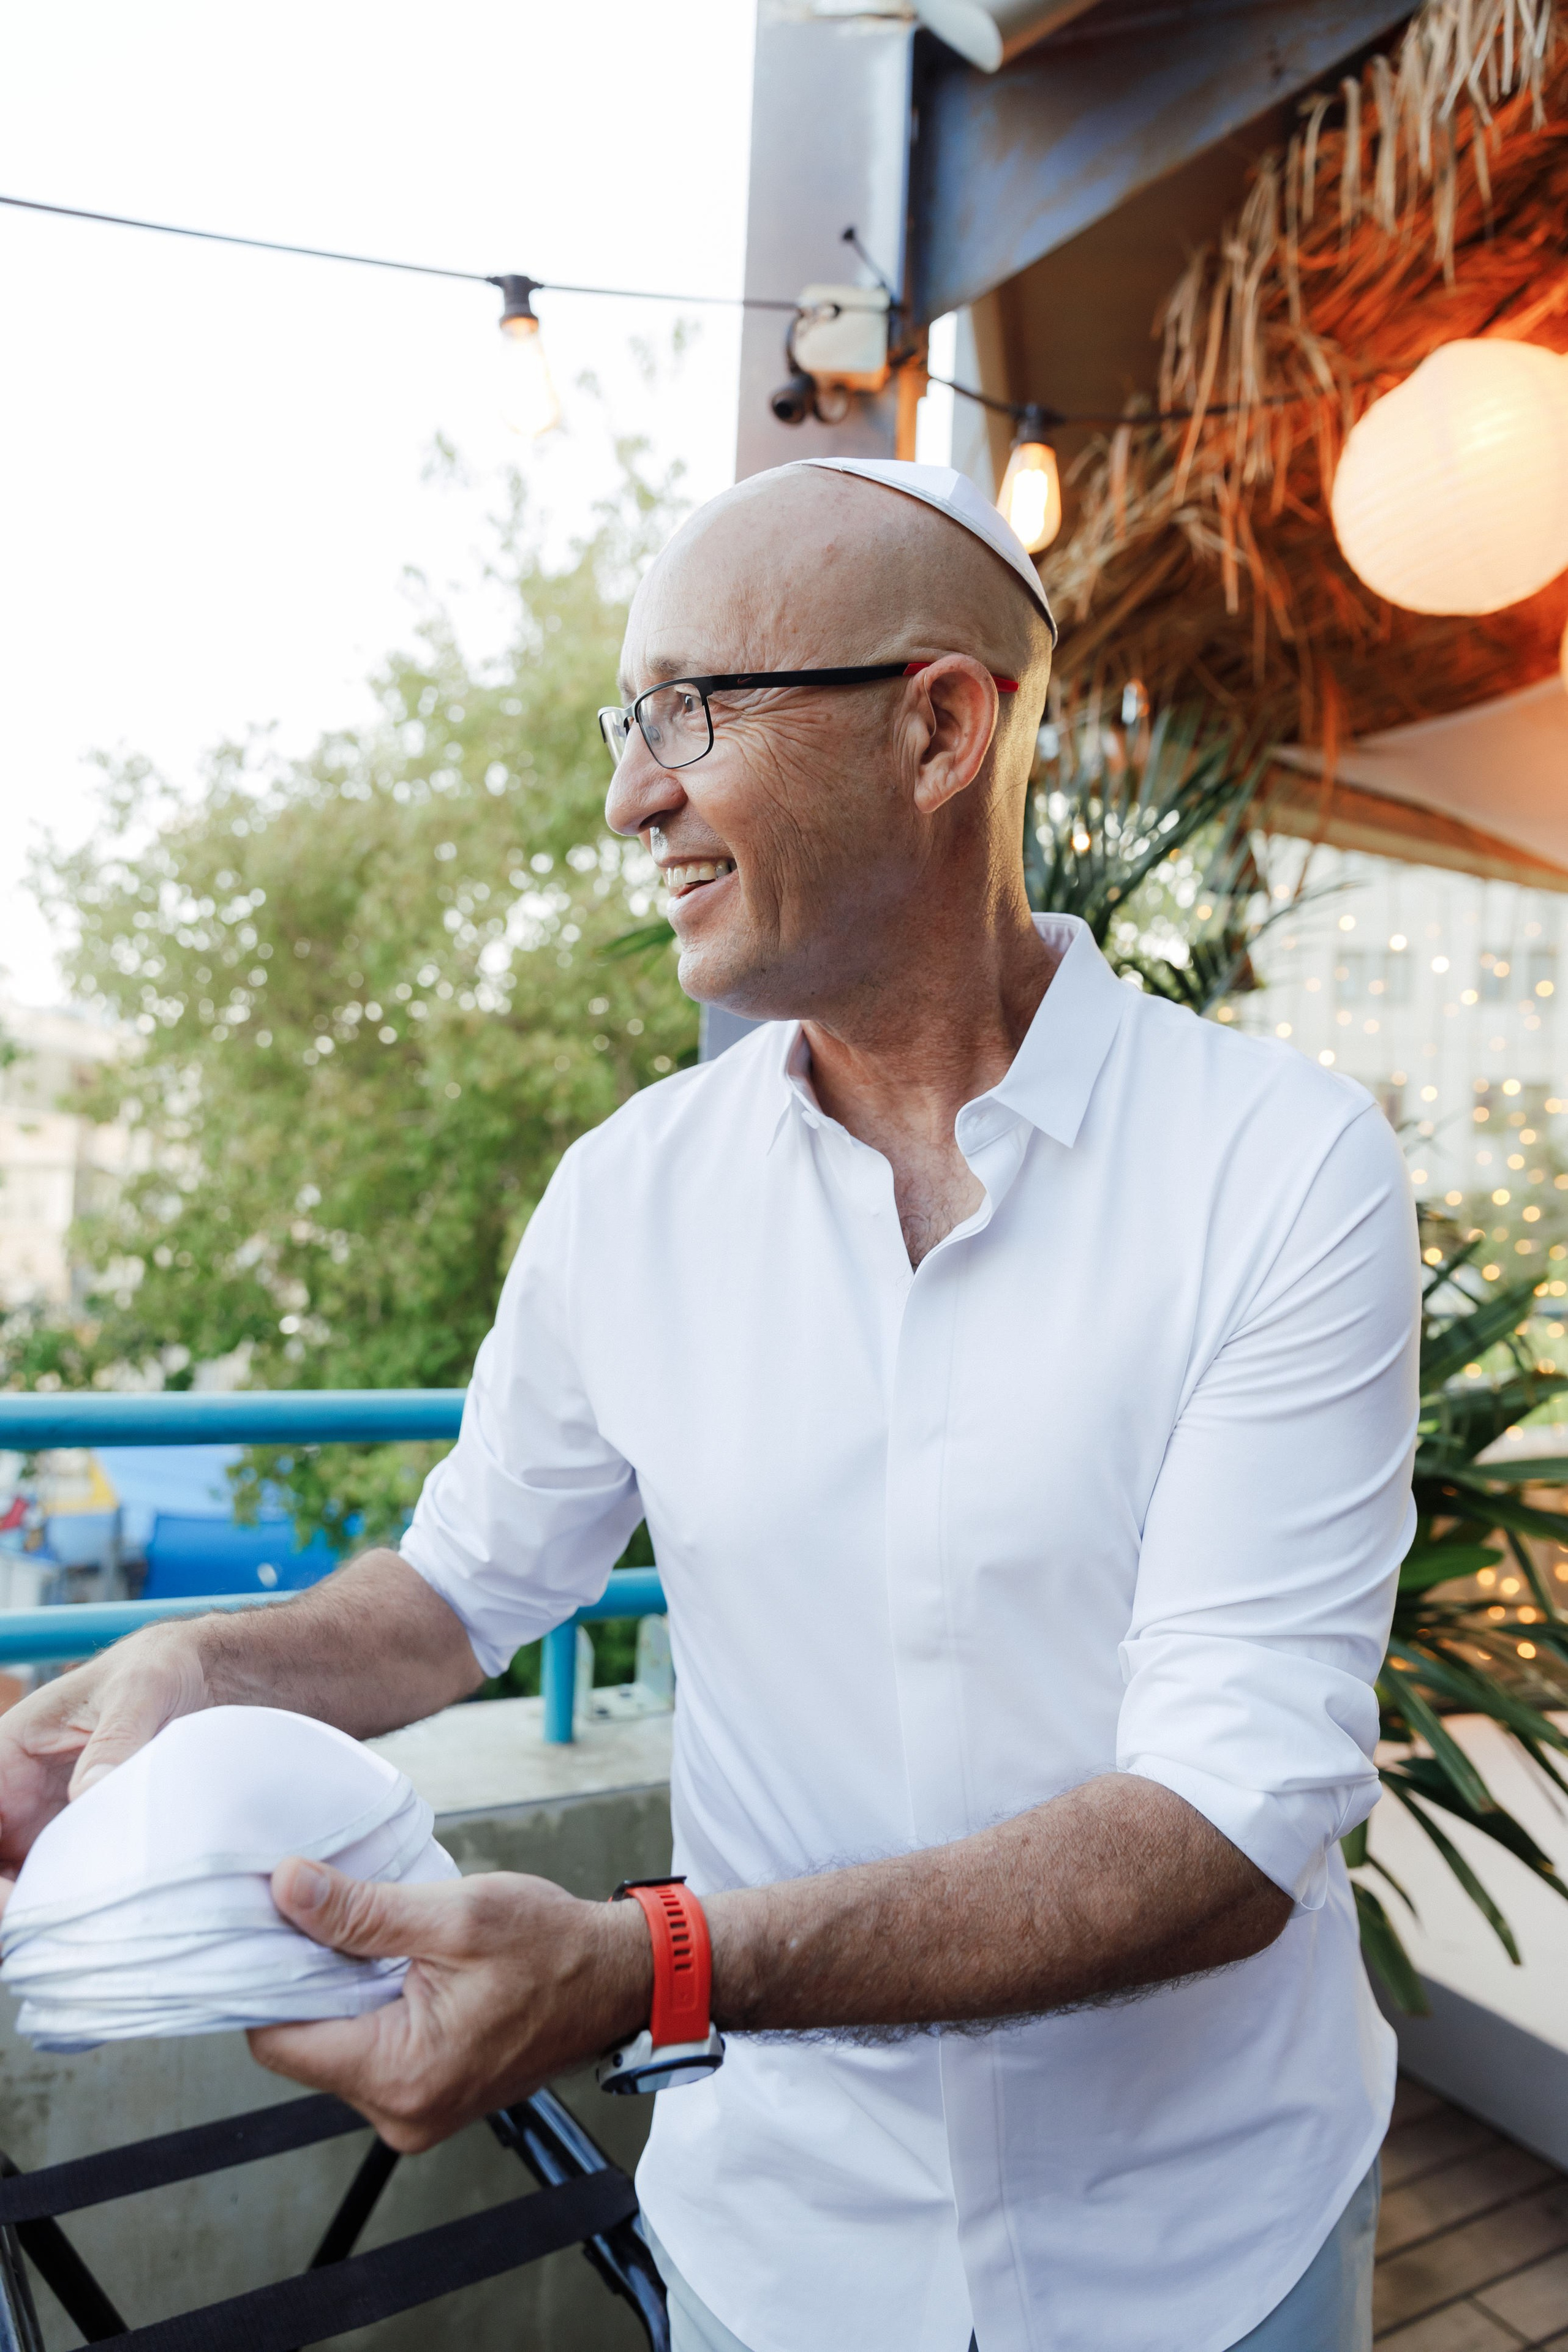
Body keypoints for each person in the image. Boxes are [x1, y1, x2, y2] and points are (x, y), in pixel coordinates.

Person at [0, 460, 1418, 2352]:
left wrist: (642, 1966)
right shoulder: (627, 1198)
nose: (628, 795)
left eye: (692, 711)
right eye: (629, 720)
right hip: (784, 2267)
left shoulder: (1283, 1167)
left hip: (1210, 2258)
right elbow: (453, 1597)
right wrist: (208, 1666)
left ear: (937, 726)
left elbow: (1225, 1831)